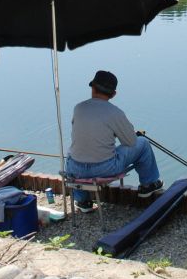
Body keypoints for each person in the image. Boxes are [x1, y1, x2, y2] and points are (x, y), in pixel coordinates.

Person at [66, 70, 163, 213]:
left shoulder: (78, 108)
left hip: (76, 170)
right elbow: (130, 141)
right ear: (113, 94)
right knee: (142, 143)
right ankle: (148, 185)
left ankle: (82, 201)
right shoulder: (114, 112)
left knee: (71, 153)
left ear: (92, 88)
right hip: (105, 169)